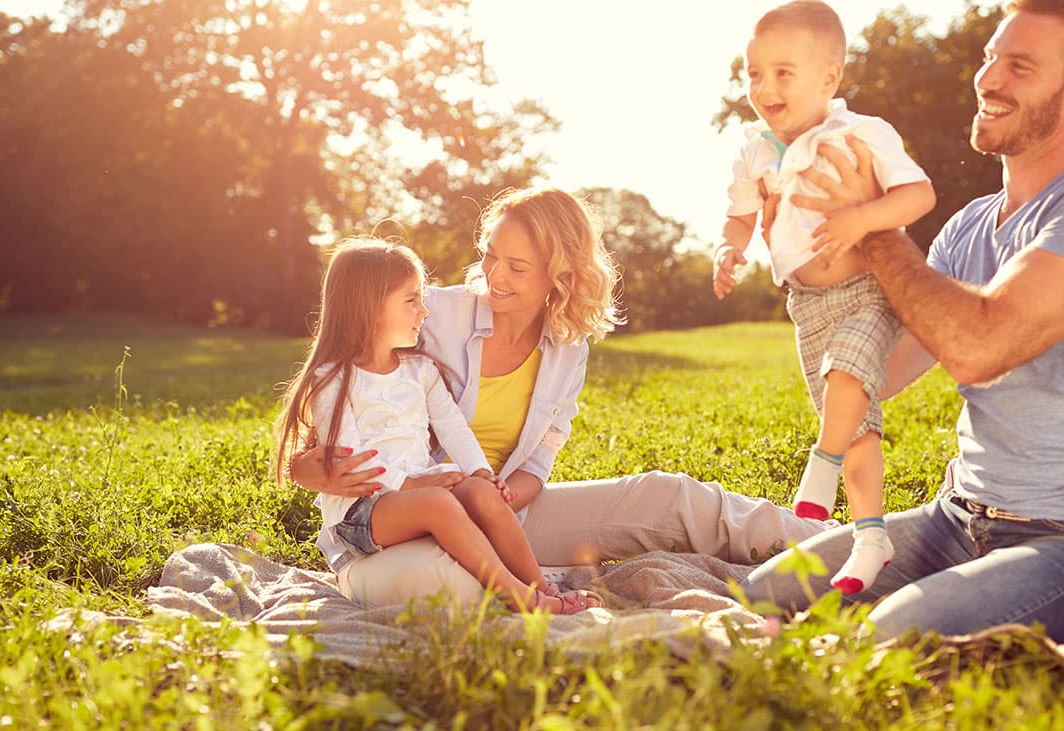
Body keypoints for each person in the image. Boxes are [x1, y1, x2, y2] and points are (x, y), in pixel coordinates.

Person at [739, 0, 1064, 645]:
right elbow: (878, 376)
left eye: (1019, 66)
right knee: (762, 595)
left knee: (892, 634)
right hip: (959, 518)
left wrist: (874, 228)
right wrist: (810, 264)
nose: (988, 78)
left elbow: (978, 347)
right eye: (989, 56)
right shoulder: (968, 227)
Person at [287, 186, 829, 607]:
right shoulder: (432, 316)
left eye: (517, 267)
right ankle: (532, 588)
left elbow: (544, 449)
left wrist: (502, 495)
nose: (493, 275)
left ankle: (840, 545)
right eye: (490, 255)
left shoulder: (567, 347)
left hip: (503, 512)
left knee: (670, 496)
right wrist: (308, 469)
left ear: (559, 273)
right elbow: (341, 396)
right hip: (413, 521)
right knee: (447, 583)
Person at [714, 0, 936, 594]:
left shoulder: (861, 133)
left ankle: (821, 467)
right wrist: (730, 249)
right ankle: (871, 536)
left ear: (829, 77)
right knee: (859, 425)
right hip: (805, 305)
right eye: (754, 73)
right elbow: (738, 217)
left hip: (867, 290)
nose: (764, 86)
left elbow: (918, 196)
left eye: (783, 72)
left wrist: (862, 218)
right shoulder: (753, 149)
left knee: (848, 375)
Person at [273, 237, 592, 614]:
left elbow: (453, 426)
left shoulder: (420, 370)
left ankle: (539, 587)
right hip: (362, 513)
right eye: (411, 301)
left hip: (418, 496)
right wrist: (410, 485)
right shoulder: (334, 381)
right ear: (368, 308)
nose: (423, 312)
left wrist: (480, 472)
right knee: (438, 501)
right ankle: (518, 596)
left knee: (480, 493)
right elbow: (352, 460)